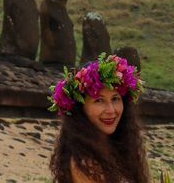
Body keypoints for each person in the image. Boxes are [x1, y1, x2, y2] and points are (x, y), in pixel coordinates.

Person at [48, 53, 150, 183]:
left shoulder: (117, 148)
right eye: (99, 100)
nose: (111, 110)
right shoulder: (86, 164)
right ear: (81, 108)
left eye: (115, 99)